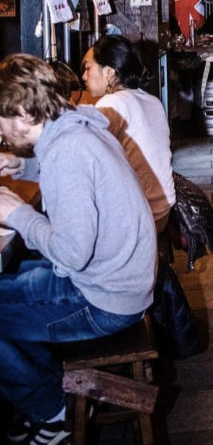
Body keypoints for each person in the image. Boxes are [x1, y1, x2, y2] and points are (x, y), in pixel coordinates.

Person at [0, 54, 157, 445]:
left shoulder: (66, 152)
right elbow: (81, 182)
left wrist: (18, 214)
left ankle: (52, 411)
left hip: (105, 300)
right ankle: (49, 393)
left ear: (21, 112)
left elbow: (72, 254)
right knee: (13, 284)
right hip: (119, 282)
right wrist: (26, 169)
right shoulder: (77, 126)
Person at [81, 34, 176, 231]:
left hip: (141, 215)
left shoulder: (112, 103)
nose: (84, 76)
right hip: (163, 210)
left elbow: (85, 158)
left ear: (108, 72)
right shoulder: (150, 100)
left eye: (88, 68)